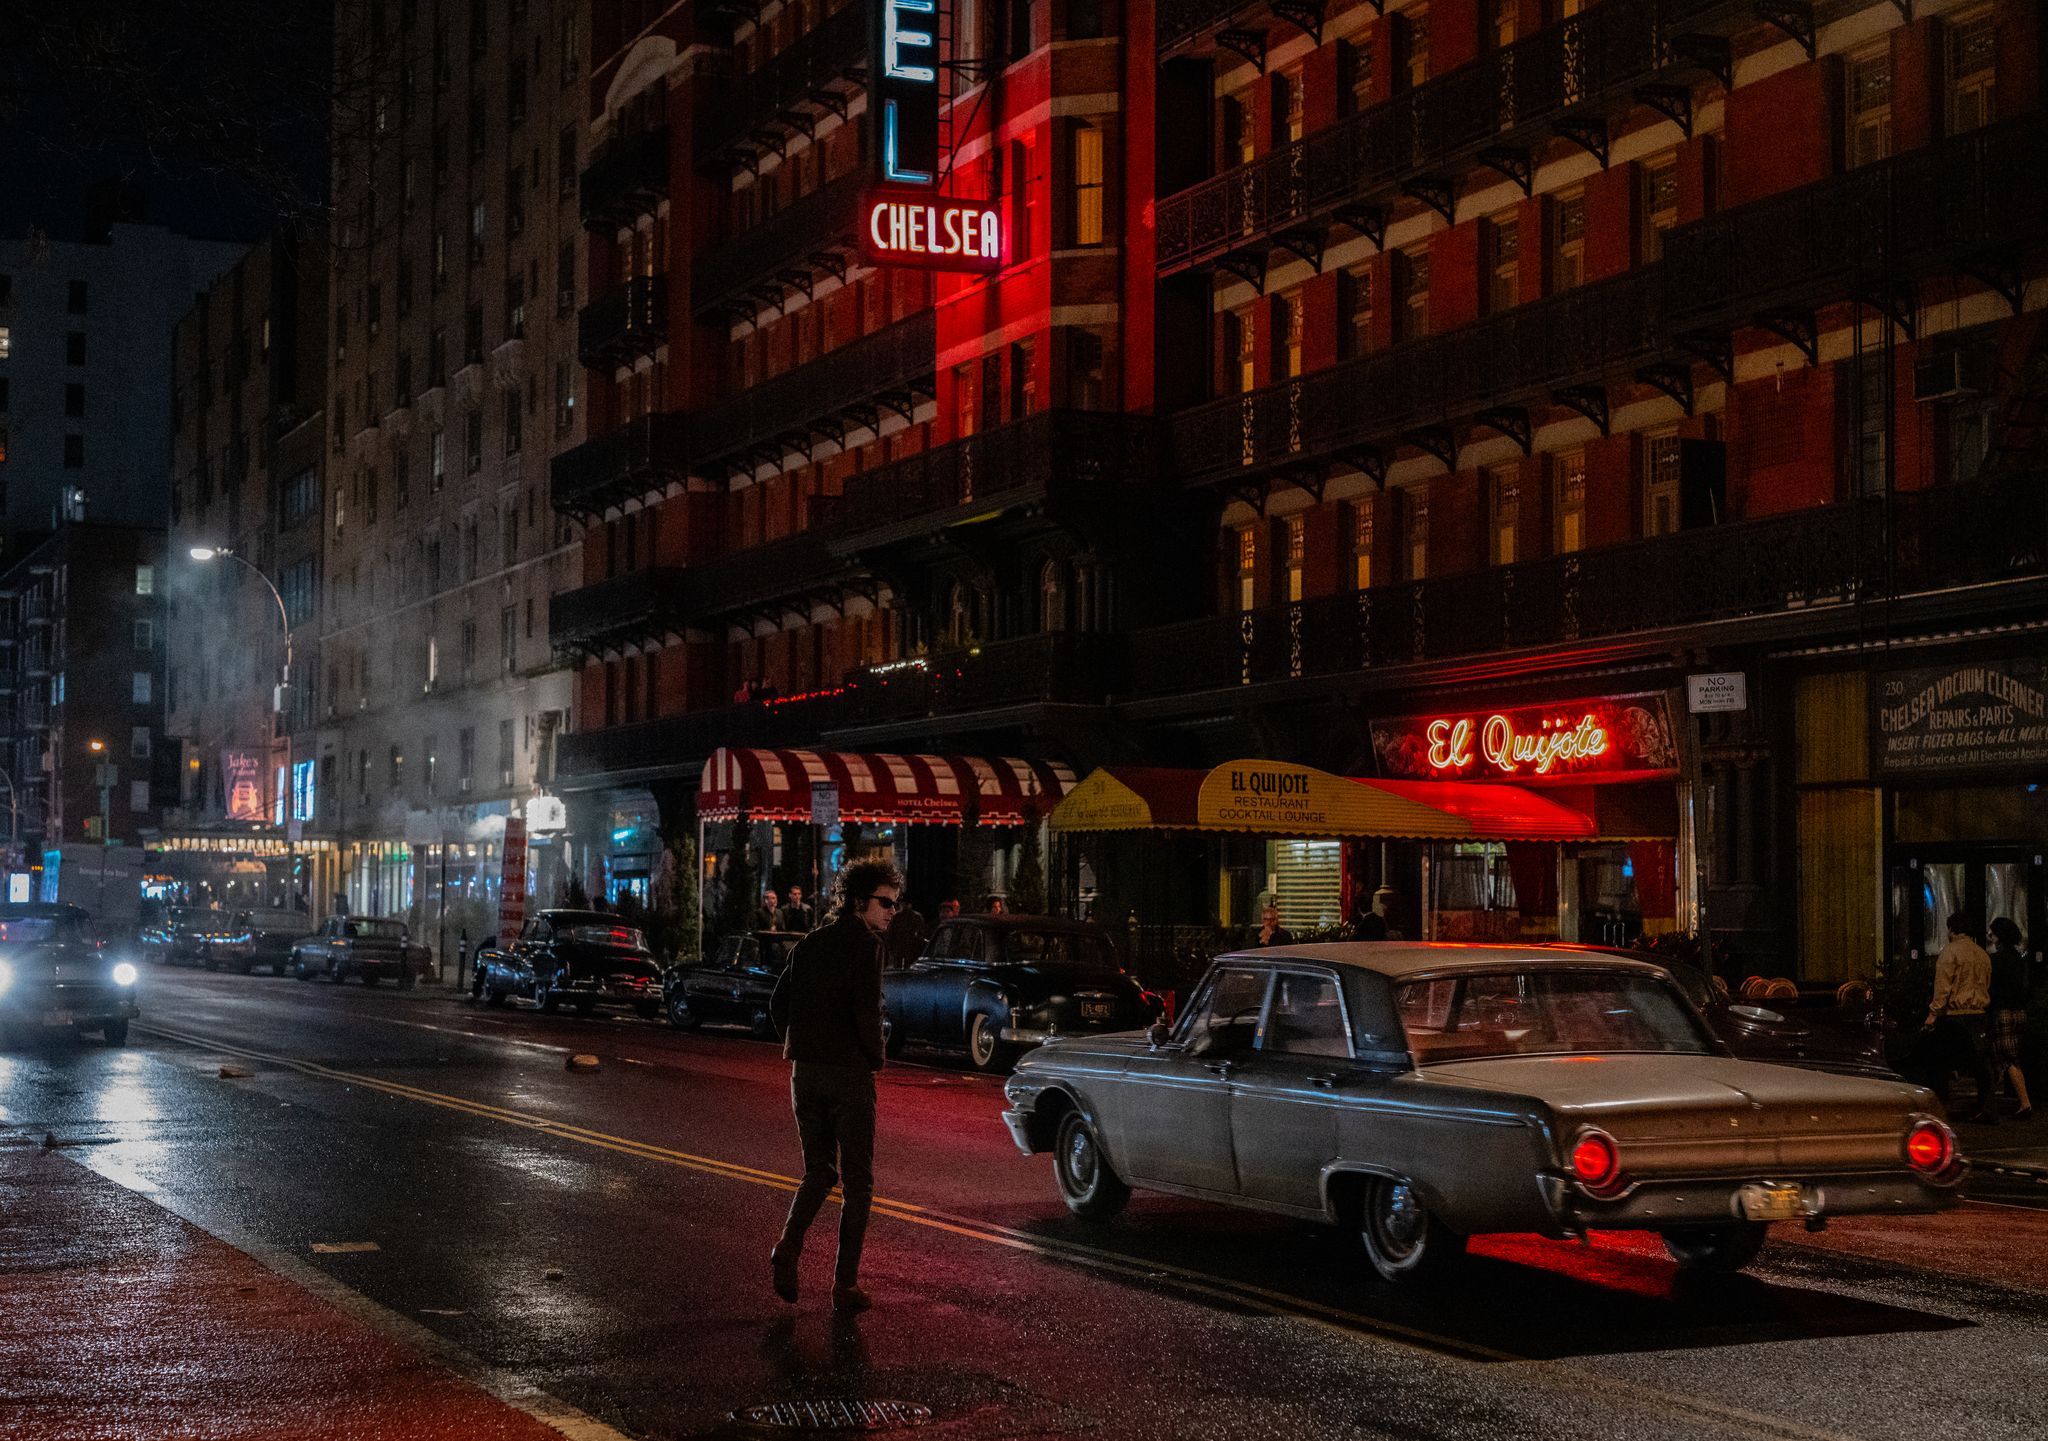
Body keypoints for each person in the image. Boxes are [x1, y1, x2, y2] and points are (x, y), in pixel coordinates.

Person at [767, 859, 901, 1313]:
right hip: (848, 1075)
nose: (891, 912)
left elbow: (777, 1004)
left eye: (895, 905)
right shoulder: (866, 946)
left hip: (805, 1073)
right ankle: (844, 1287)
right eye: (885, 903)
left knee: (820, 1171)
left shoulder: (809, 943)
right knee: (858, 1183)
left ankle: (788, 1248)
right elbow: (867, 1013)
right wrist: (875, 1058)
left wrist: (802, 1042)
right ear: (860, 901)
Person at [1924, 912, 1997, 1124]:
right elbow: (1987, 984)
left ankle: (1941, 1107)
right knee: (1982, 1065)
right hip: (1979, 1014)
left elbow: (1943, 988)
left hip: (1955, 1016)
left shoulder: (1950, 953)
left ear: (1952, 929)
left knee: (1940, 1063)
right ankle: (1988, 1108)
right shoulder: (1982, 954)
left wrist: (1933, 1014)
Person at [1988, 917, 2035, 1122]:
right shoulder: (2018, 958)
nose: (1990, 936)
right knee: (2009, 1056)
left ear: (1999, 935)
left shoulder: (1998, 959)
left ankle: (2024, 1103)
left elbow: (1993, 986)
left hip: (2003, 1011)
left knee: (2006, 1058)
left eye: (1992, 933)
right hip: (2019, 1011)